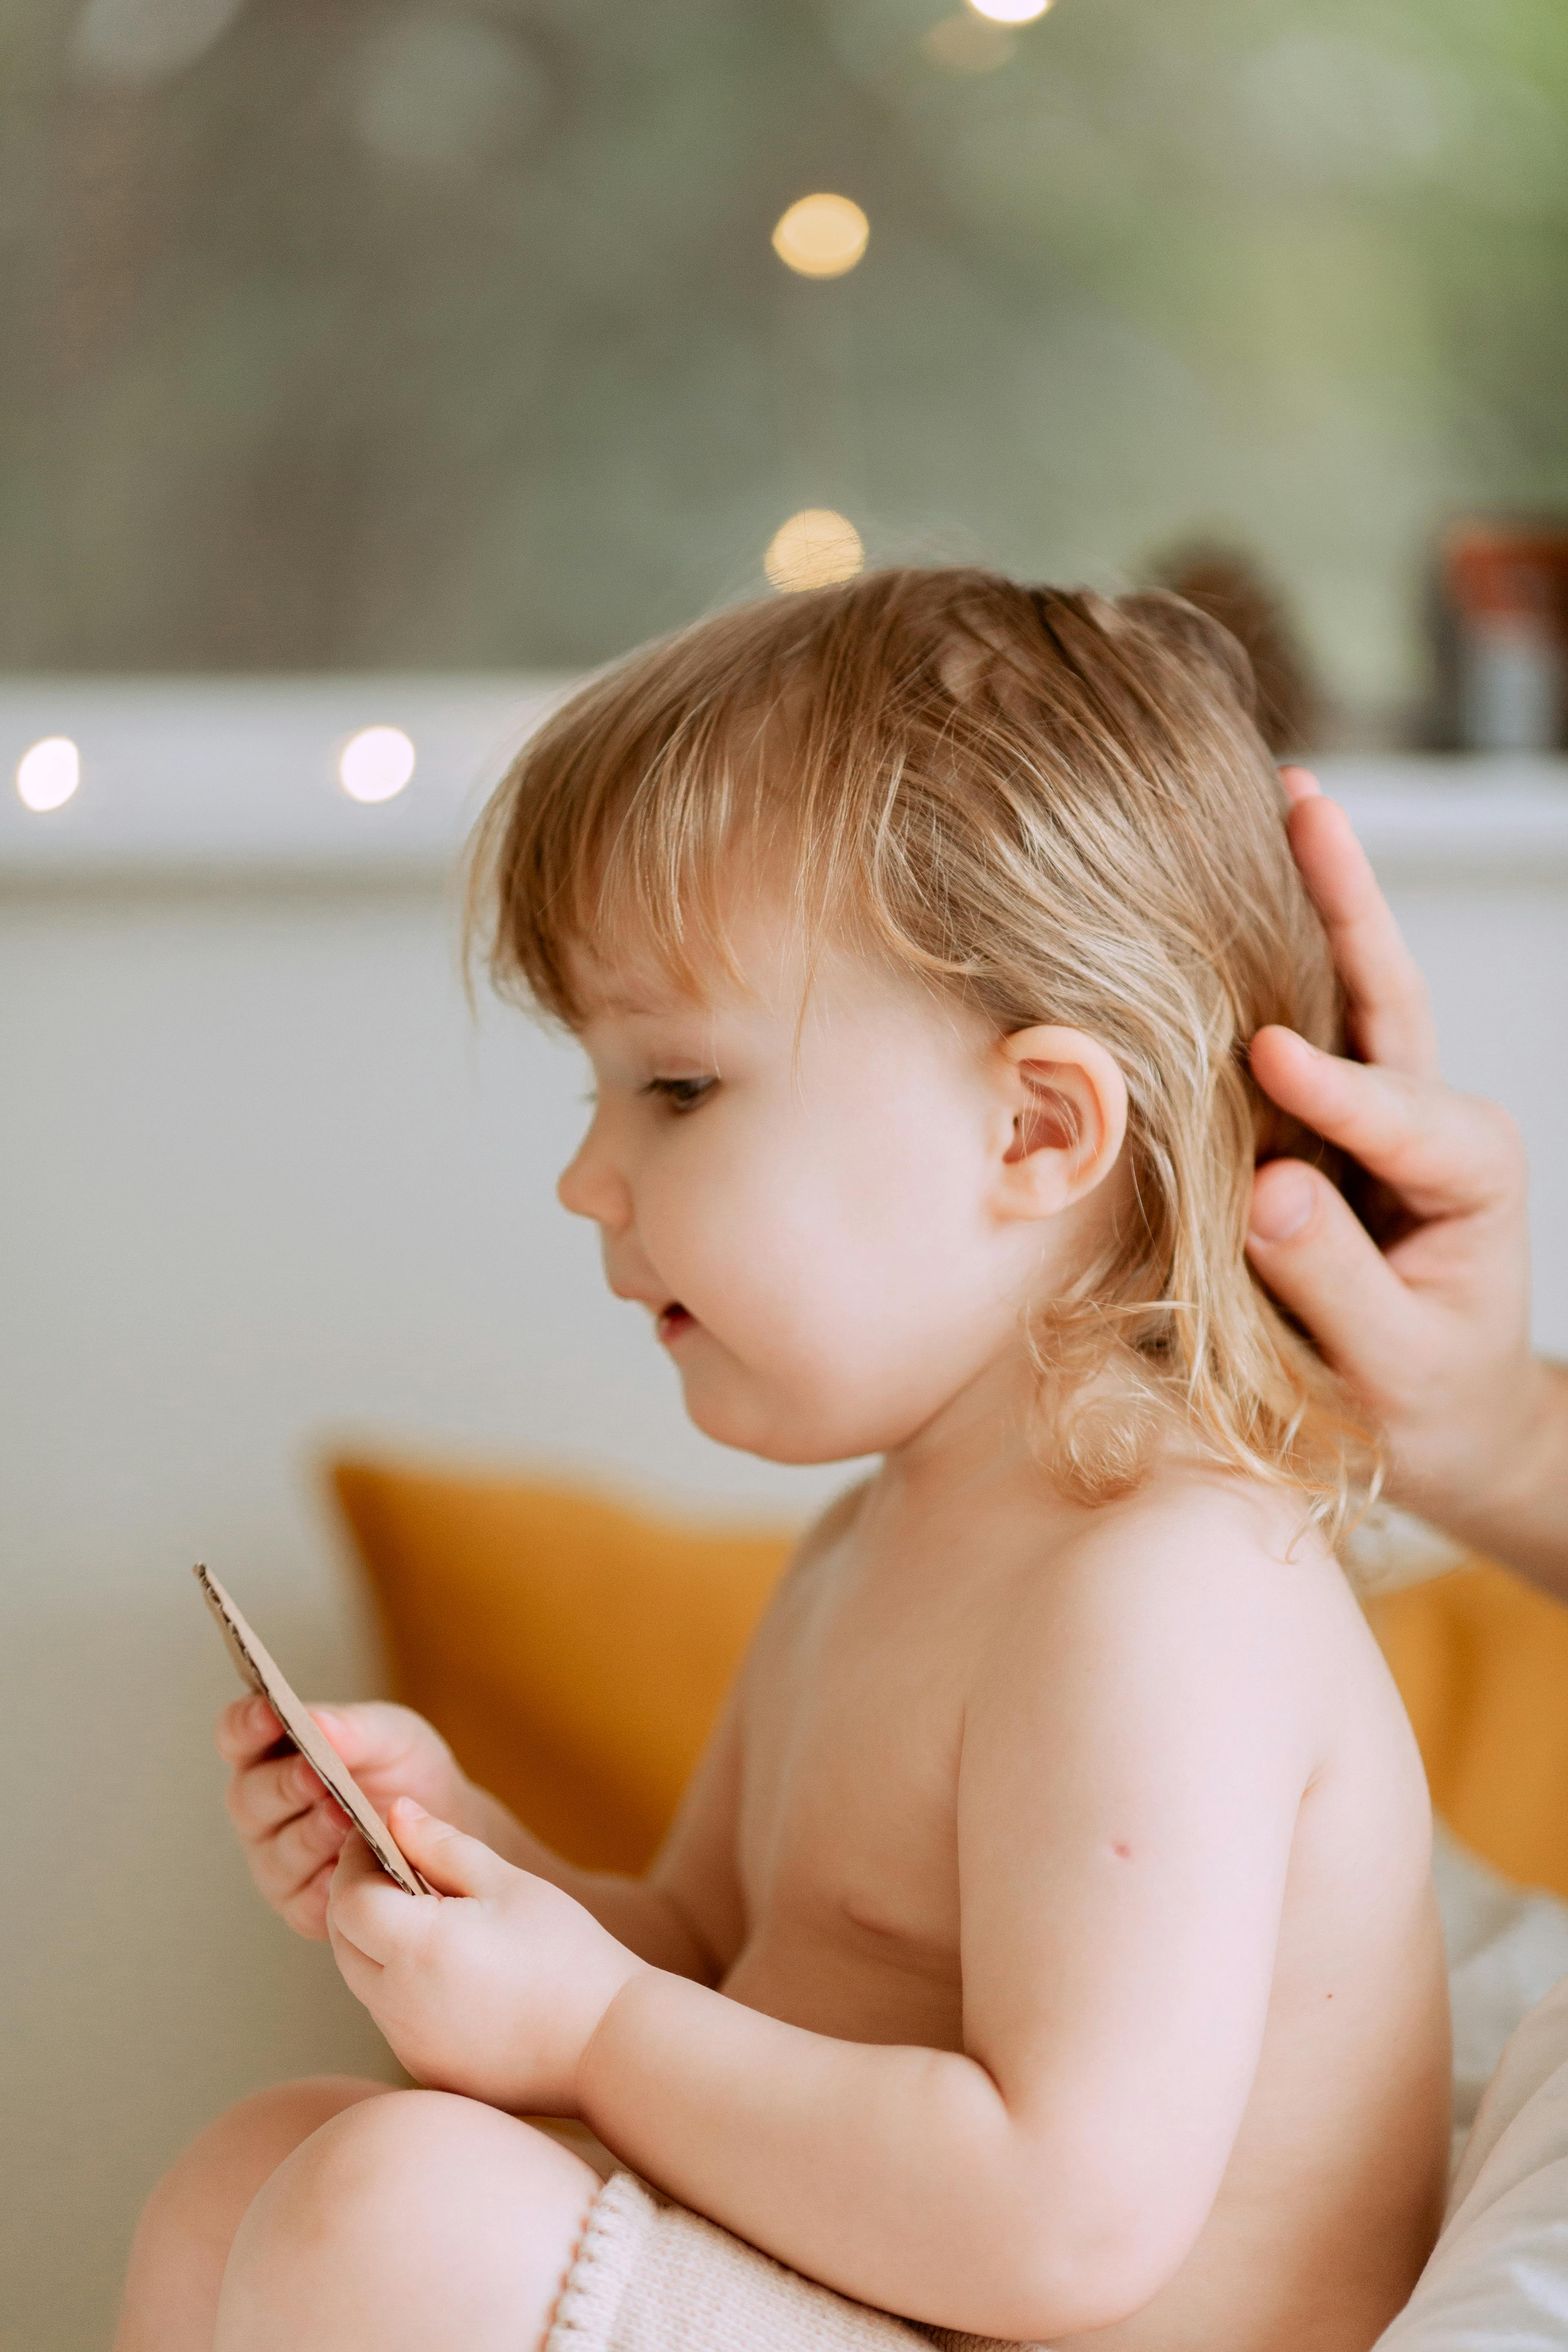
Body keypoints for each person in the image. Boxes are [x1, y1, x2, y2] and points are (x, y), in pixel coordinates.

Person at [116, 573, 1453, 2352]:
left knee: (392, 2215)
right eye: (591, 1091)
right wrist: (476, 1873)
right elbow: (712, 1960)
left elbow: (1063, 2227)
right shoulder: (875, 1543)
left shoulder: (1165, 1595)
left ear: (1037, 1128)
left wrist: (588, 2029)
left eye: (674, 1089)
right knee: (262, 2162)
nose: (588, 1177)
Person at [1246, 768, 1568, 1591]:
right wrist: (1510, 1447)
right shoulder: (875, 1522)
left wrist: (1516, 1451)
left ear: (1045, 1127)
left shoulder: (1177, 1593)